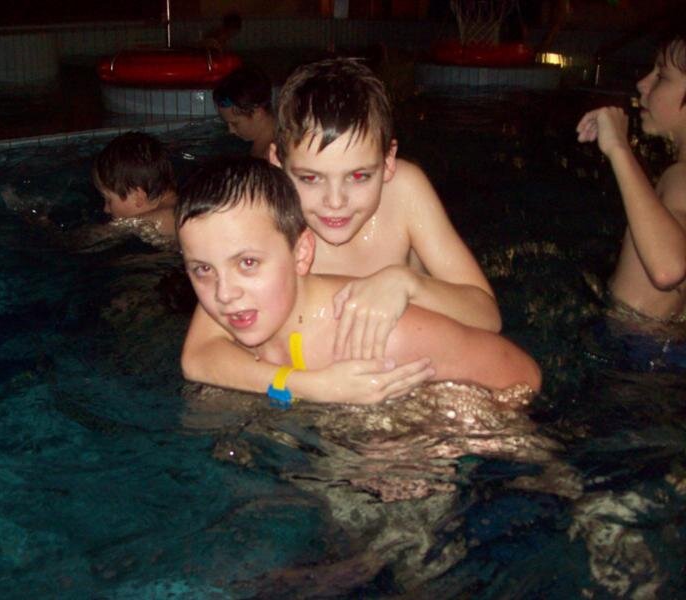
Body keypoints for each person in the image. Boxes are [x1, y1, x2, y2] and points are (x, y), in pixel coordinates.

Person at [181, 58, 501, 402]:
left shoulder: (404, 192)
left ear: (388, 161)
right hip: (318, 374)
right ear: (277, 162)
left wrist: (407, 283)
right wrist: (312, 386)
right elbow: (199, 355)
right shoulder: (267, 212)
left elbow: (486, 316)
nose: (335, 202)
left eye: (359, 176)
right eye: (310, 178)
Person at [177, 157, 541, 404]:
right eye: (202, 270)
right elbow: (197, 360)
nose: (224, 293)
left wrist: (438, 424)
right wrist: (310, 387)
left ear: (301, 253)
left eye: (248, 263)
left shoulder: (374, 332)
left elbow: (521, 375)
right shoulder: (240, 306)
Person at [576, 31, 686, 323]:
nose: (642, 83)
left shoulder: (680, 178)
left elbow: (667, 270)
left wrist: (618, 148)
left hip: (631, 343)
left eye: (661, 76)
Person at [91, 131, 177, 246]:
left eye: (109, 200)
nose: (106, 209)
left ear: (138, 197)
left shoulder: (162, 220)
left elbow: (97, 237)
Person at [213, 66, 275, 159]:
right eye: (227, 123)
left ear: (257, 113)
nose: (231, 130)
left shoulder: (272, 155)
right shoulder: (262, 146)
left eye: (235, 124)